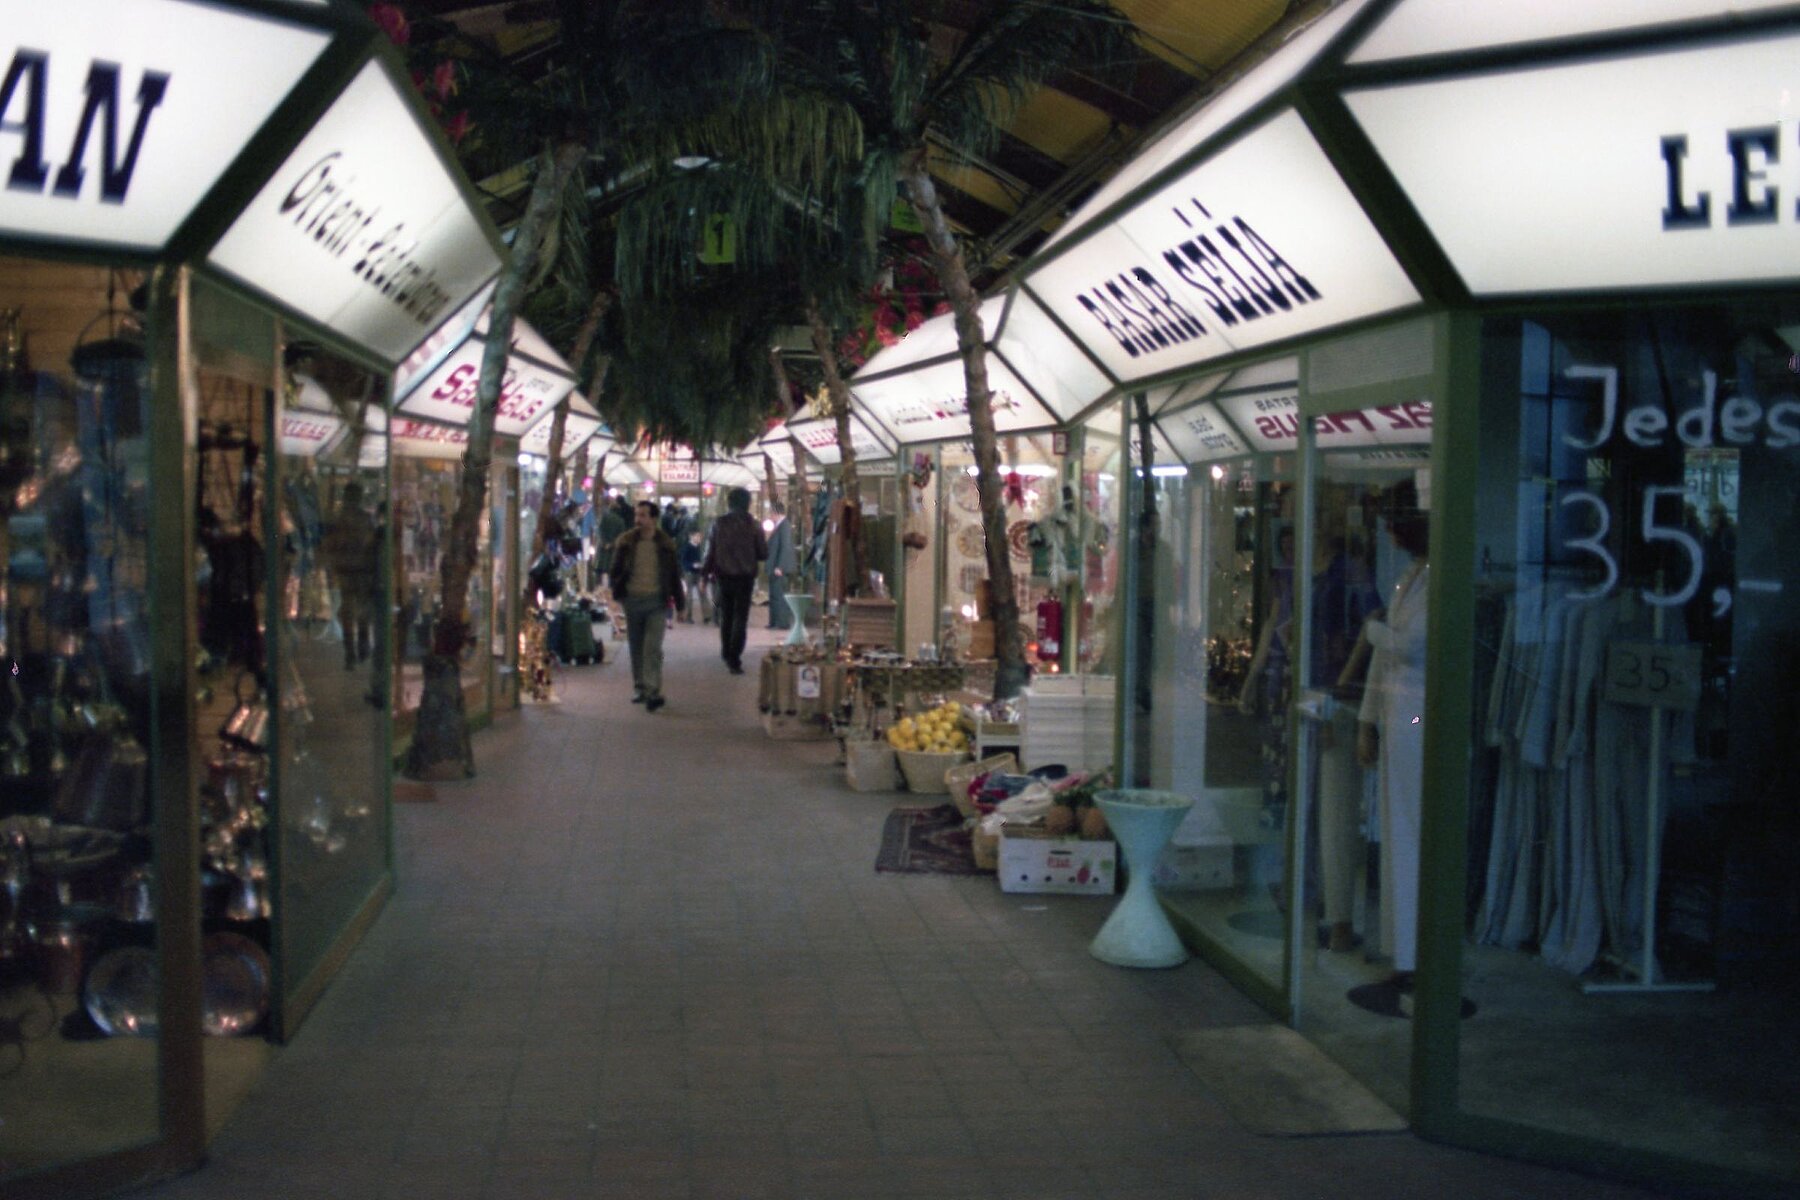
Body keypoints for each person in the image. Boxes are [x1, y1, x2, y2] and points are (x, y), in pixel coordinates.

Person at [1356, 478, 1429, 990]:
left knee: (1406, 827)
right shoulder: (1411, 578)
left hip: (1418, 715)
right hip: (1401, 713)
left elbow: (1407, 646)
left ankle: (1412, 951)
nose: (1387, 532)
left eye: (1393, 523)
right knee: (1395, 828)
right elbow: (1391, 653)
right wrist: (1367, 720)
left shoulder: (1430, 581)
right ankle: (1401, 947)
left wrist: (1374, 629)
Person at [609, 500, 685, 711]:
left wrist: (680, 605)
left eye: (643, 515)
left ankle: (652, 691)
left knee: (652, 647)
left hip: (656, 602)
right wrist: (617, 594)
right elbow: (615, 571)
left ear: (653, 519)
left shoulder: (665, 545)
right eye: (637, 515)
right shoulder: (625, 542)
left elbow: (674, 576)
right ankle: (640, 688)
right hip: (632, 601)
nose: (638, 520)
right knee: (636, 647)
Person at [703, 486, 766, 675]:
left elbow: (710, 551)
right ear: (748, 503)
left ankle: (726, 651)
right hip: (745, 578)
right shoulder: (754, 525)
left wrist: (704, 574)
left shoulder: (718, 523)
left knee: (726, 615)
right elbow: (763, 553)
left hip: (724, 576)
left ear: (729, 503)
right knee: (741, 617)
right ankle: (734, 657)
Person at [322, 480, 381, 670]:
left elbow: (331, 547)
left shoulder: (338, 520)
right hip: (360, 571)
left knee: (349, 612)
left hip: (347, 571)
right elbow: (371, 547)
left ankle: (351, 651)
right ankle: (360, 647)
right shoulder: (364, 519)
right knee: (360, 611)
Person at [765, 499, 797, 629]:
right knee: (774, 595)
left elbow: (785, 547)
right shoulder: (779, 525)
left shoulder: (784, 525)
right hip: (774, 567)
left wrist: (780, 566)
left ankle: (781, 622)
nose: (770, 516)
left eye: (771, 513)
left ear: (776, 512)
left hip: (779, 568)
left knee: (779, 595)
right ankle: (773, 621)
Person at [678, 529, 708, 624]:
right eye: (697, 536)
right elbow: (683, 561)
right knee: (689, 595)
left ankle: (707, 615)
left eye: (700, 537)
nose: (699, 538)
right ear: (691, 536)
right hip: (689, 573)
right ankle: (687, 616)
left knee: (703, 593)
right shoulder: (687, 547)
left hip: (698, 572)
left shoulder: (698, 548)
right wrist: (692, 565)